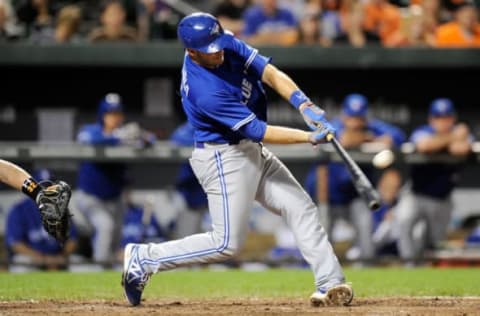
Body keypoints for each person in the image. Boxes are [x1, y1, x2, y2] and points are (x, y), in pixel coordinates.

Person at [122, 12, 353, 307]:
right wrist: (309, 137)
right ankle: (144, 259)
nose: (218, 52)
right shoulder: (204, 90)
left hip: (247, 150)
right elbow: (258, 130)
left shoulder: (223, 41)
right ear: (191, 52)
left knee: (300, 207)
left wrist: (303, 103)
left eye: (218, 44)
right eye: (210, 50)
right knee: (226, 243)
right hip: (223, 157)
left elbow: (268, 72)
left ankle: (330, 282)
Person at [304, 93, 405, 262]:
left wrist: (369, 138)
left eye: (359, 118)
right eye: (351, 117)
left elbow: (397, 136)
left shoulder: (371, 128)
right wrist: (367, 140)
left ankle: (367, 268)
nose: (355, 122)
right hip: (328, 195)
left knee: (366, 227)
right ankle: (319, 273)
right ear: (344, 114)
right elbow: (345, 138)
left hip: (354, 195)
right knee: (323, 237)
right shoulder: (332, 126)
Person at [73, 92, 155, 264]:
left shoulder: (124, 136)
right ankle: (98, 269)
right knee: (105, 227)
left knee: (116, 236)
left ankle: (107, 271)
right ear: (102, 115)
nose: (114, 117)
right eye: (110, 113)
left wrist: (141, 136)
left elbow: (150, 140)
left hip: (115, 198)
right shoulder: (91, 131)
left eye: (117, 113)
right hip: (90, 196)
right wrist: (118, 137)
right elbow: (85, 139)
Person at [394, 98, 473, 264]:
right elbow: (425, 146)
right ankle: (408, 264)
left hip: (442, 198)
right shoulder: (424, 130)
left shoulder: (462, 134)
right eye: (438, 117)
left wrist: (446, 141)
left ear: (453, 118)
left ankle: (425, 267)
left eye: (446, 117)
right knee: (403, 220)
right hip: (416, 193)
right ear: (431, 119)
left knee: (435, 241)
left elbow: (461, 149)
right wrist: (451, 137)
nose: (442, 121)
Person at [5, 168, 77, 272]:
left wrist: (62, 256)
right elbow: (15, 243)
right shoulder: (20, 210)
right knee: (20, 265)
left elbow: (72, 240)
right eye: (42, 187)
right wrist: (41, 258)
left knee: (84, 266)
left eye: (50, 187)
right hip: (32, 259)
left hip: (58, 258)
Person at [168, 121, 209, 238]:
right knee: (186, 241)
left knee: (213, 248)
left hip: (212, 196)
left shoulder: (221, 124)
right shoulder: (190, 126)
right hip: (190, 195)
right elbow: (177, 139)